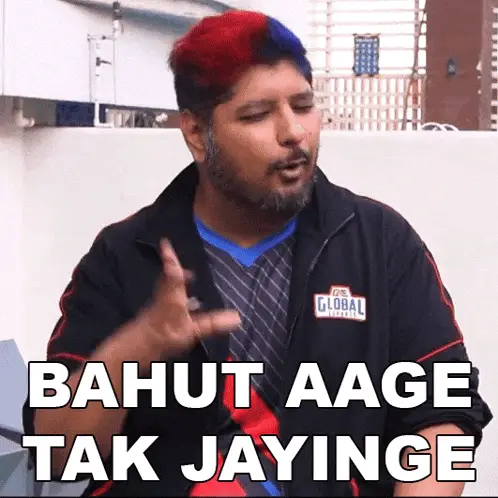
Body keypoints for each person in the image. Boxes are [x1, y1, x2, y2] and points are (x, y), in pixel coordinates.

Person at [23, 9, 492, 497]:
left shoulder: (378, 243)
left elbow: (442, 417)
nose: (293, 132)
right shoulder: (126, 255)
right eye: (257, 115)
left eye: (304, 106)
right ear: (197, 134)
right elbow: (57, 452)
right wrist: (139, 347)